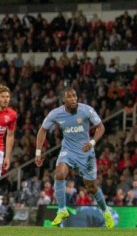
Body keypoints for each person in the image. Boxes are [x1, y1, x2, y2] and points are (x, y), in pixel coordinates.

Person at [34, 88, 114, 228]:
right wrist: (38, 153)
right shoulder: (56, 113)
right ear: (63, 100)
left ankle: (105, 211)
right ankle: (62, 209)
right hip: (68, 150)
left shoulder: (86, 110)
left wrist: (92, 142)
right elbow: (43, 130)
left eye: (75, 96)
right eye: (69, 97)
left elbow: (100, 127)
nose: (73, 99)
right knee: (59, 174)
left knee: (91, 187)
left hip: (85, 151)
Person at [0, 85, 17, 180]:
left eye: (7, 97)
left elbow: (10, 136)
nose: (6, 99)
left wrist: (7, 157)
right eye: (3, 97)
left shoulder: (12, 114)